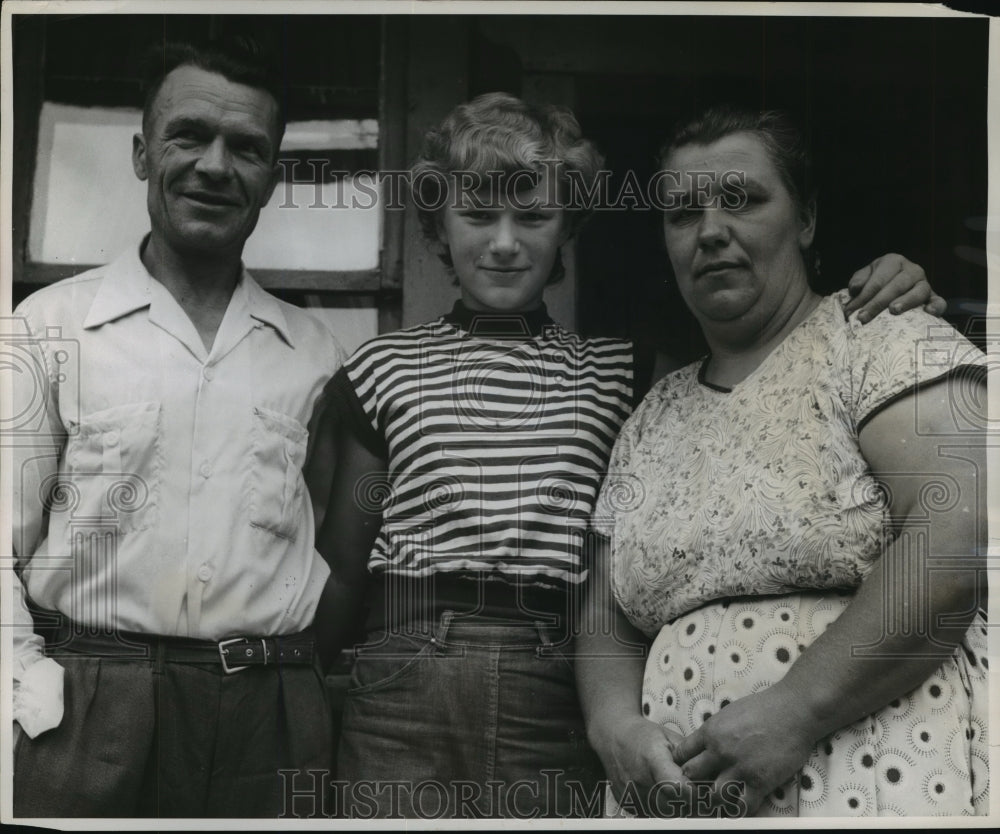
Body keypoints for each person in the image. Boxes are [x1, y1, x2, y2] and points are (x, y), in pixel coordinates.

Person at [313, 92, 943, 819]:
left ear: (569, 224)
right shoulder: (382, 366)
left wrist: (897, 283)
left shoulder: (626, 374)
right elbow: (341, 567)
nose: (505, 242)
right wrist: (302, 688)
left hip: (557, 679)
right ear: (436, 224)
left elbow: (763, 378)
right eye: (478, 215)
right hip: (403, 674)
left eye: (534, 216)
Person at [577, 105, 988, 818]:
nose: (710, 231)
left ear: (805, 219)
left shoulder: (879, 341)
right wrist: (612, 726)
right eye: (682, 213)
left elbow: (956, 542)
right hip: (680, 795)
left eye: (742, 199)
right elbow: (605, 617)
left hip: (867, 769)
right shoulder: (652, 415)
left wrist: (796, 709)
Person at [11, 39, 344, 817]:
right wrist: (24, 696)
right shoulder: (49, 326)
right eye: (189, 136)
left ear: (272, 177)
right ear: (141, 153)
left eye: (247, 148)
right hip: (88, 704)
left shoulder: (318, 357)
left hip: (268, 716)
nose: (216, 166)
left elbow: (331, 550)